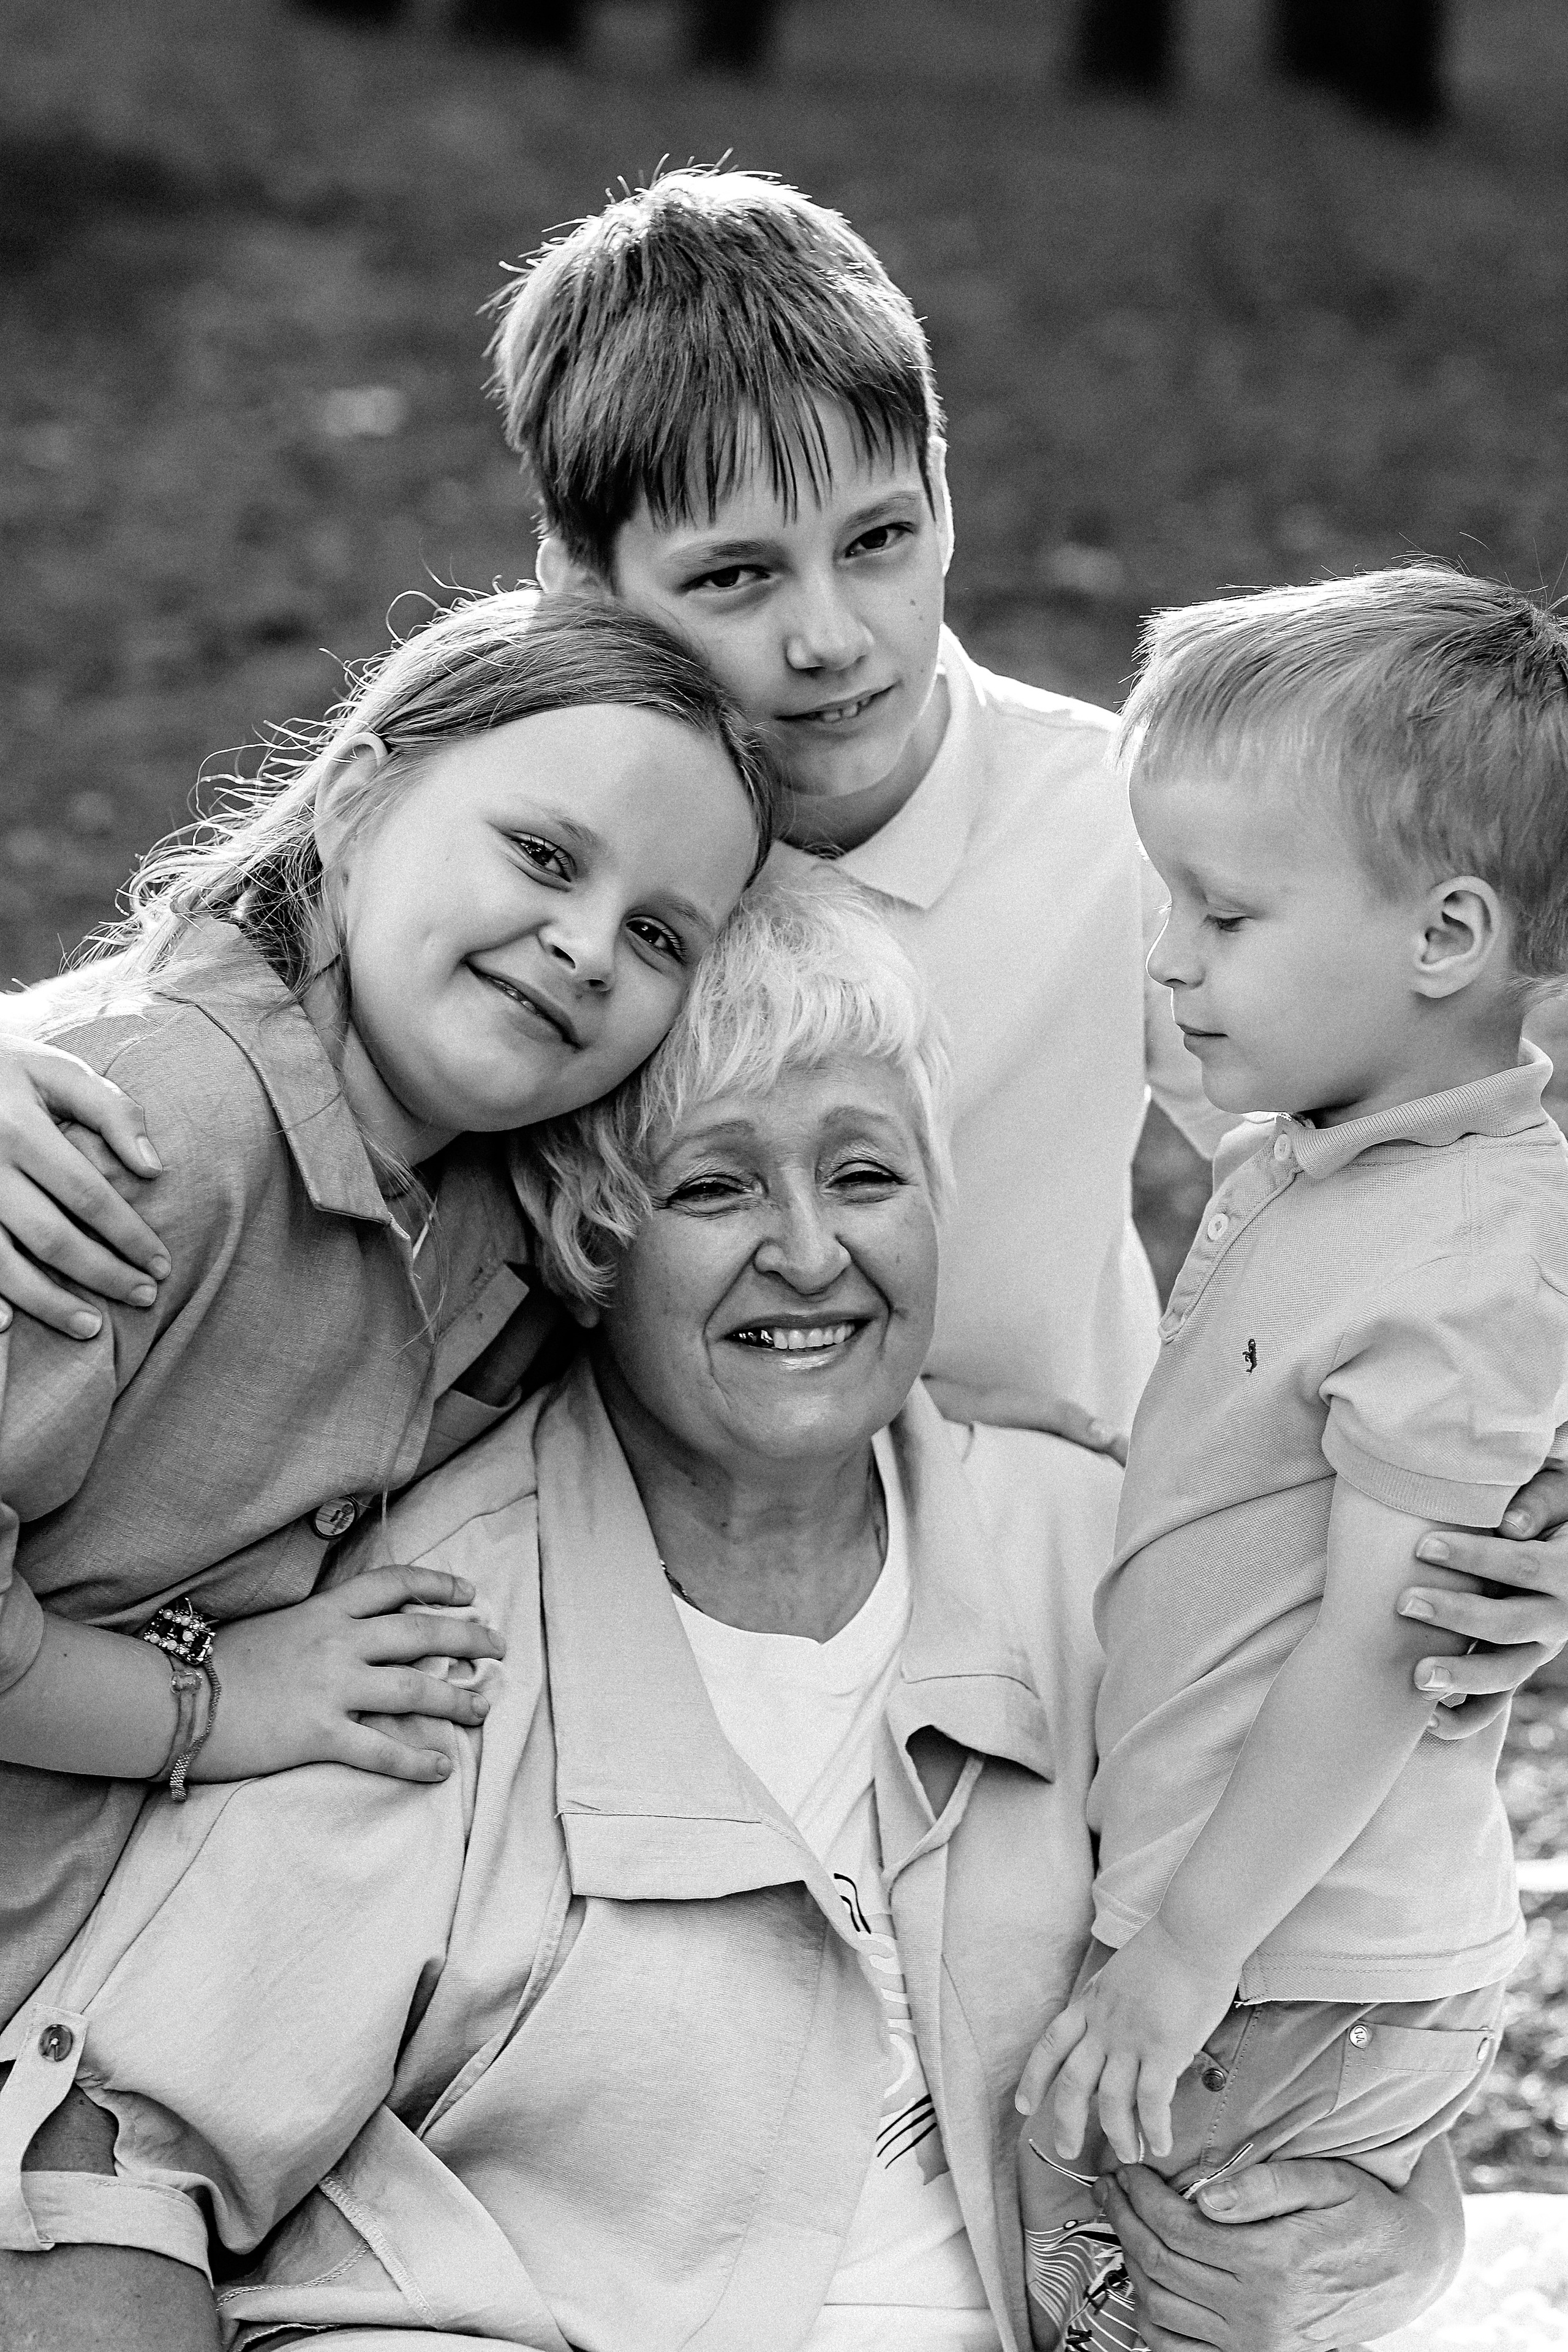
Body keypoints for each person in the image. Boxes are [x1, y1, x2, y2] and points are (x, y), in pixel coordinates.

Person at [0, 170, 1563, 1701]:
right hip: (605, 1578)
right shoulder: (568, 848)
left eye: (878, 539)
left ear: (946, 492)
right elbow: (259, 978)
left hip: (1028, 1573)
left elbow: (1424, 1148)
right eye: (736, 575)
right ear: (576, 590)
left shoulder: (1129, 831)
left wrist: (1498, 1468)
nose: (828, 635)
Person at [0, 875, 1467, 2352]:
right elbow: (107, 2170)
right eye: (713, 1186)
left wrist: (1397, 2241)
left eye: (865, 1177)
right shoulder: (431, 1620)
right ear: (587, 1237)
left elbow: (1336, 2008)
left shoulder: (1101, 1556)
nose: (811, 1252)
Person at [0, 587, 777, 2028]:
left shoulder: (502, 1222)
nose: (589, 948)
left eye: (662, 936)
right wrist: (218, 1702)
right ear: (357, 807)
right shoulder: (142, 1138)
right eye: (544, 855)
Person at [1017, 569, 1568, 2348]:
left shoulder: (1472, 1252)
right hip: (1256, 1935)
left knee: (1150, 2303)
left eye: (1225, 913)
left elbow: (1386, 1646)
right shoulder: (1340, 1149)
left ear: (1445, 941)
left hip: (1288, 1957)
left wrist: (1187, 1952)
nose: (1171, 954)